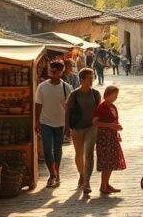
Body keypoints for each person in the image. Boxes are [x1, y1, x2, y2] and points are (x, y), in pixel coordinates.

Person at [35, 60, 72, 188]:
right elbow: (38, 104)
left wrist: (68, 125)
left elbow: (69, 108)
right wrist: (37, 121)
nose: (54, 73)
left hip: (60, 123)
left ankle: (56, 172)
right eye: (52, 70)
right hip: (45, 122)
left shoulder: (66, 87)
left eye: (56, 71)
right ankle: (52, 174)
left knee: (57, 149)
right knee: (46, 149)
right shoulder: (42, 87)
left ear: (61, 72)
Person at [66, 68, 101, 197]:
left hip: (91, 127)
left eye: (93, 77)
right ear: (82, 80)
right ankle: (81, 174)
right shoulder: (74, 94)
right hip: (77, 127)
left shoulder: (95, 93)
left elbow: (99, 111)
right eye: (89, 78)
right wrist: (66, 127)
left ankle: (86, 182)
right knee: (79, 154)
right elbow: (68, 110)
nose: (92, 80)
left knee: (89, 153)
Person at [93, 85, 126, 195]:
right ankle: (103, 185)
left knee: (111, 161)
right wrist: (110, 126)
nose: (116, 97)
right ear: (109, 94)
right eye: (115, 94)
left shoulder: (112, 106)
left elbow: (114, 122)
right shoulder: (102, 106)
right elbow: (95, 122)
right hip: (104, 137)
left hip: (111, 136)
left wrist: (116, 130)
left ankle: (106, 184)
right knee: (106, 162)